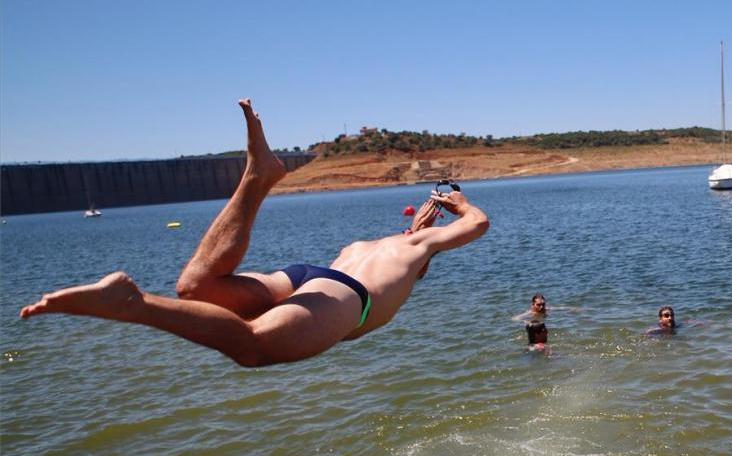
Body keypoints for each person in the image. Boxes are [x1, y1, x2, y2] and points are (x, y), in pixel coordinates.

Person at [19, 99, 490, 367]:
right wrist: (462, 205)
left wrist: (424, 221)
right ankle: (132, 306)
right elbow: (478, 224)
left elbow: (410, 242)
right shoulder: (417, 249)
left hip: (312, 276)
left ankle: (257, 178)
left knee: (197, 289)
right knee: (254, 346)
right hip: (348, 297)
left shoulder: (375, 245)